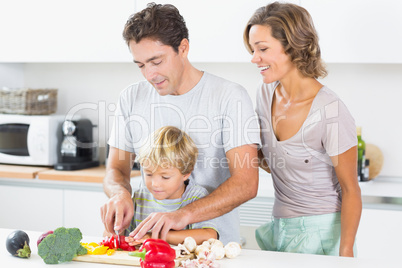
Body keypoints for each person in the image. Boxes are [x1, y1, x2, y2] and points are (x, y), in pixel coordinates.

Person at [101, 2, 260, 245]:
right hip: (149, 251)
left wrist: (182, 216)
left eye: (156, 61)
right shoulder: (132, 98)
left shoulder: (229, 97)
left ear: (183, 48)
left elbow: (246, 183)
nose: (149, 75)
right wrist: (120, 194)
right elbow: (115, 170)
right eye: (141, 65)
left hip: (213, 252)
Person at [243, 2, 362, 257]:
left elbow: (351, 190)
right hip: (279, 227)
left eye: (262, 49)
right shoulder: (264, 93)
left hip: (322, 231)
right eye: (253, 49)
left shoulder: (330, 111)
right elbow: (276, 160)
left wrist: (346, 253)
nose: (254, 58)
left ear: (293, 46)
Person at [124, 126, 218, 245]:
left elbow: (209, 236)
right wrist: (113, 226)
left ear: (186, 173)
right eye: (148, 174)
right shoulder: (139, 197)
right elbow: (123, 237)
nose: (155, 184)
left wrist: (155, 236)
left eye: (165, 177)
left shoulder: (196, 197)